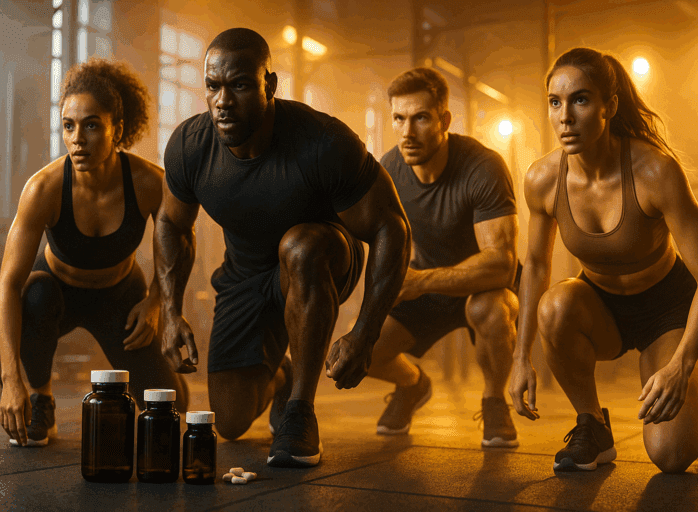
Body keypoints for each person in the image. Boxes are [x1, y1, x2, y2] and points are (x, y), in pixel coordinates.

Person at [155, 28, 410, 468]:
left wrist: (365, 334)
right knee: (230, 422)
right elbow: (170, 224)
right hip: (246, 277)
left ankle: (300, 410)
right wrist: (170, 311)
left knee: (299, 245)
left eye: (238, 85)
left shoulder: (322, 141)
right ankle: (282, 374)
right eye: (213, 86)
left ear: (268, 85)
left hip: (323, 258)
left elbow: (392, 229)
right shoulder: (190, 146)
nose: (222, 100)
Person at [509, 47, 698, 473]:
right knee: (554, 306)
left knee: (670, 456)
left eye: (580, 99)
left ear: (608, 106)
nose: (564, 116)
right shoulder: (542, 179)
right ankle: (592, 428)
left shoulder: (655, 171)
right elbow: (536, 267)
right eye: (555, 102)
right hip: (603, 307)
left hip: (668, 308)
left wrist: (682, 364)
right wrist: (521, 357)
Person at [0, 59, 189, 447]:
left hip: (119, 297)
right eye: (69, 125)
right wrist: (10, 380)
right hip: (55, 293)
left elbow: (182, 242)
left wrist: (155, 301)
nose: (77, 139)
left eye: (91, 125)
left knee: (174, 406)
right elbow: (7, 285)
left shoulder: (149, 182)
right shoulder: (44, 189)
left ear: (117, 130)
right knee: (34, 294)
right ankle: (42, 399)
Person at [361, 67, 521, 447]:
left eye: (420, 118)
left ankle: (495, 401)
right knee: (361, 349)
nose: (407, 131)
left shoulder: (482, 167)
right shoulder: (390, 170)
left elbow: (501, 263)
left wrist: (419, 282)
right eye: (399, 118)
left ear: (444, 120)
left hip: (482, 287)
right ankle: (413, 385)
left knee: (493, 312)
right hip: (426, 288)